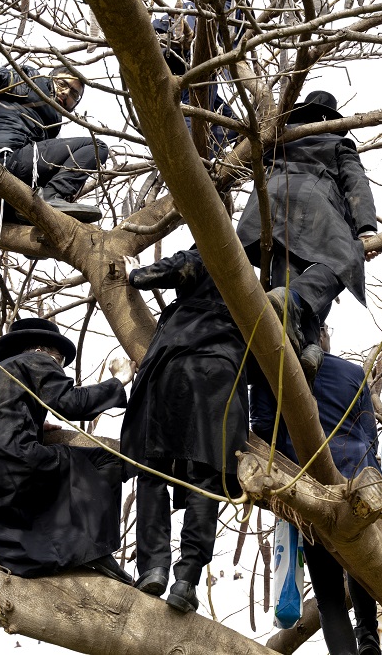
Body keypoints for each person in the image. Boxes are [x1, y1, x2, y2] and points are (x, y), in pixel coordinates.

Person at [0, 318, 132, 582]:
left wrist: (35, 425)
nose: (59, 367)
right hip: (9, 460)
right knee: (107, 460)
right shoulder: (36, 360)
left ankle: (61, 551)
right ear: (41, 351)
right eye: (59, 360)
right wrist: (119, 380)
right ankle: (91, 545)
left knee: (48, 482)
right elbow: (71, 403)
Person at [120, 249, 248, 613]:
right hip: (219, 377)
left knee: (152, 470)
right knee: (208, 477)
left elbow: (169, 270)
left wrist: (135, 274)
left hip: (170, 371)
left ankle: (154, 566)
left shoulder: (203, 255)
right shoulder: (252, 282)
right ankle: (186, 578)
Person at [251, 326, 381, 655]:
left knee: (328, 595)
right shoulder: (353, 373)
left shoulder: (272, 376)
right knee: (360, 565)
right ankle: (368, 638)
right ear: (321, 334)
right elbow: (370, 436)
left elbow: (263, 430)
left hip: (307, 490)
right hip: (356, 485)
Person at [236, 90, 378, 381]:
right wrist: (366, 228)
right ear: (330, 119)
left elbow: (245, 159)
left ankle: (306, 347)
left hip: (269, 208)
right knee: (347, 260)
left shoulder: (277, 137)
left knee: (284, 288)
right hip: (314, 207)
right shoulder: (338, 142)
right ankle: (310, 342)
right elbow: (355, 182)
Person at [0, 61, 106, 223]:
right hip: (1, 162)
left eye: (74, 94)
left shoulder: (50, 123)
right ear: (49, 78)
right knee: (96, 148)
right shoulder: (29, 81)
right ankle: (50, 197)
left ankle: (48, 205)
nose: (66, 93)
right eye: (62, 84)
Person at [152, 0, 241, 159]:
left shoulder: (195, 6)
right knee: (191, 104)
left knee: (234, 123)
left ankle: (202, 155)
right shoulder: (202, 6)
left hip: (174, 59)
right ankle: (188, 152)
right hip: (180, 57)